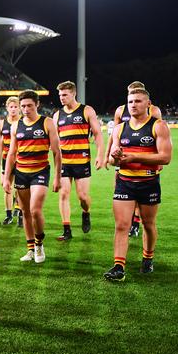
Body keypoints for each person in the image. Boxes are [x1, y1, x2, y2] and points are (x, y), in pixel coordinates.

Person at [104, 88, 172, 281]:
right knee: (122, 225)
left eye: (138, 101)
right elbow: (112, 160)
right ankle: (118, 266)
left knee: (148, 224)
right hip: (124, 182)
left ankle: (147, 258)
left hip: (148, 182)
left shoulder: (158, 126)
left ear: (148, 104)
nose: (133, 105)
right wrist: (115, 158)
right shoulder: (119, 128)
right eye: (131, 101)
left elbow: (166, 157)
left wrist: (134, 156)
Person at [3, 90, 62, 264]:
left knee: (35, 210)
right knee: (25, 212)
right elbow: (12, 154)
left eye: (29, 105)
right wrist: (7, 177)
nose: (26, 109)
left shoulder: (47, 123)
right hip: (21, 173)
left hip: (40, 171)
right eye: (23, 106)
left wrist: (58, 177)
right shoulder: (16, 126)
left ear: (37, 104)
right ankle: (30, 248)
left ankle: (39, 243)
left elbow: (57, 152)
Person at [105, 81, 162, 238]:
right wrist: (107, 155)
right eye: (130, 98)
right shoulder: (120, 111)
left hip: (146, 159)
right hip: (122, 155)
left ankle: (135, 222)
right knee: (122, 185)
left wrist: (157, 160)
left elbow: (157, 133)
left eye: (137, 98)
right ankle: (129, 221)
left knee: (140, 188)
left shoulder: (153, 111)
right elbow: (113, 134)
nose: (133, 103)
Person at [52, 81, 105, 241]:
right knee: (64, 193)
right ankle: (66, 229)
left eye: (65, 95)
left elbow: (97, 134)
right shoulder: (57, 115)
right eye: (60, 95)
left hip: (81, 161)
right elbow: (54, 140)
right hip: (64, 162)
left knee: (82, 196)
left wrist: (100, 155)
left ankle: (86, 213)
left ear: (73, 94)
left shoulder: (86, 110)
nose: (62, 98)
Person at [0, 96, 21, 226]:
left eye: (16, 107)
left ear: (19, 108)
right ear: (7, 108)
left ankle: (19, 210)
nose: (13, 109)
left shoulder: (23, 122)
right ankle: (9, 215)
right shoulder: (1, 124)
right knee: (6, 187)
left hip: (21, 159)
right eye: (11, 107)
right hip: (6, 159)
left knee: (20, 187)